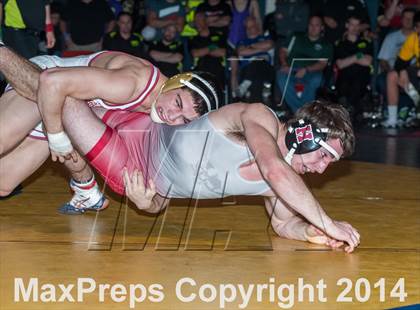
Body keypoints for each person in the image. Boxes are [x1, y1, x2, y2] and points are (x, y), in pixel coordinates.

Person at [0, 82, 360, 253]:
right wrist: (328, 220)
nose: (322, 169)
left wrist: (313, 232)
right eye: (325, 155)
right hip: (132, 123)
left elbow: (283, 224)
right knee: (53, 85)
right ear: (305, 134)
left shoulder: (282, 181)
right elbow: (272, 168)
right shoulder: (259, 118)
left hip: (131, 166)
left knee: (55, 107)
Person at [0, 42, 221, 213]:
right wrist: (56, 136)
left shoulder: (168, 122)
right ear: (175, 81)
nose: (172, 116)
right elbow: (52, 82)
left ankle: (85, 188)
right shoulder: (132, 83)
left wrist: (148, 204)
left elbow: (164, 180)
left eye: (184, 119)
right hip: (47, 85)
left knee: (3, 185)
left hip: (67, 111)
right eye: (178, 103)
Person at [277, 15, 333, 112]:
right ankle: (302, 112)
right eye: (311, 24)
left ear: (322, 27)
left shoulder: (326, 44)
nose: (313, 27)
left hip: (312, 71)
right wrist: (284, 64)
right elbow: (283, 51)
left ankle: (302, 111)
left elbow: (322, 64)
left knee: (317, 79)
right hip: (291, 68)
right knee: (281, 77)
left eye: (317, 25)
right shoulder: (296, 36)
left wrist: (306, 69)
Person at [377, 8, 416, 125]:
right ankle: (395, 117)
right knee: (386, 78)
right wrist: (392, 71)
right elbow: (383, 60)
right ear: (401, 20)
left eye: (411, 18)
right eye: (405, 18)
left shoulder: (416, 37)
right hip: (391, 70)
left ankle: (406, 110)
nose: (408, 20)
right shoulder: (392, 37)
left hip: (412, 71)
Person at [334, 16, 373, 121]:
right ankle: (347, 112)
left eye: (357, 25)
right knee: (343, 85)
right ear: (347, 25)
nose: (355, 28)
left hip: (361, 76)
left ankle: (352, 111)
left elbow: (368, 61)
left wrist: (349, 59)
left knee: (358, 83)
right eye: (352, 24)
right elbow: (340, 64)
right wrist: (358, 56)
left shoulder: (366, 42)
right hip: (344, 77)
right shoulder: (340, 43)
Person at [230, 16, 274, 102]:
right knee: (257, 63)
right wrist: (261, 48)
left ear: (257, 26)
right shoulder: (242, 41)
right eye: (247, 28)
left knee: (260, 63)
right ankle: (264, 90)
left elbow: (269, 44)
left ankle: (246, 83)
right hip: (247, 68)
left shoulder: (265, 38)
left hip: (265, 68)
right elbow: (241, 52)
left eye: (252, 27)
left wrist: (250, 47)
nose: (249, 30)